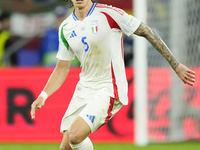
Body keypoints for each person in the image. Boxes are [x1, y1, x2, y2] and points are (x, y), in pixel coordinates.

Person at [31, 0, 196, 150]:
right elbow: (62, 68)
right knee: (66, 147)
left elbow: (146, 31)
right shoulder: (65, 27)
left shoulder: (109, 14)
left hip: (109, 88)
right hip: (84, 88)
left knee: (75, 135)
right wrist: (43, 95)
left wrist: (176, 65)